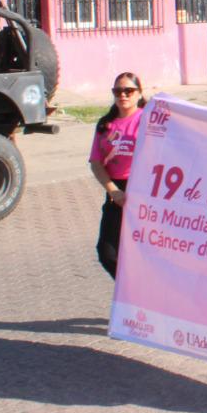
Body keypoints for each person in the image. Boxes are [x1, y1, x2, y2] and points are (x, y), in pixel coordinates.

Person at [88, 72, 146, 280]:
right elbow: (96, 163)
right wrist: (114, 191)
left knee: (143, 252)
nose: (123, 95)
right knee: (107, 252)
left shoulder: (149, 121)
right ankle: (132, 291)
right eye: (118, 91)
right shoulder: (105, 125)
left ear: (139, 94)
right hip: (116, 192)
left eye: (128, 91)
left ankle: (142, 299)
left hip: (143, 189)